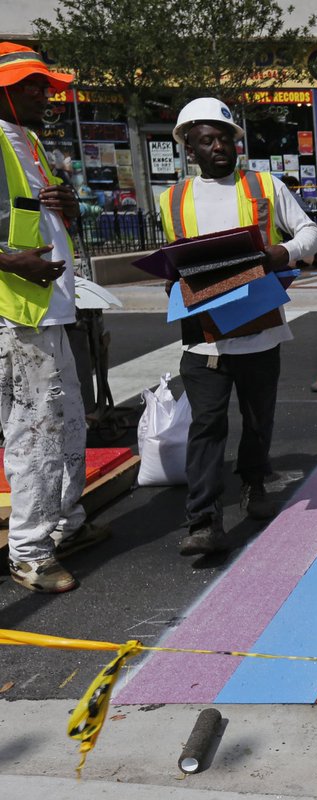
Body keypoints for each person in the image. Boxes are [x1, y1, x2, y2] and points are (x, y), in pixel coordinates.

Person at [162, 97, 317, 556]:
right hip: (203, 334)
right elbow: (175, 256)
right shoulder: (173, 198)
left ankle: (253, 483)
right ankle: (203, 521)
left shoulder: (265, 185)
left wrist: (283, 252)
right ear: (189, 148)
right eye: (206, 140)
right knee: (206, 427)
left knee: (257, 420)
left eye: (224, 138)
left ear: (235, 141)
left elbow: (311, 233)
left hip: (259, 328)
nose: (217, 147)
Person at [0, 43, 109, 593]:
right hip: (17, 314)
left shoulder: (30, 141)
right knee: (36, 434)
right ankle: (29, 552)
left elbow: (41, 218)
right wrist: (9, 261)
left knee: (66, 425)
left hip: (47, 309)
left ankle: (66, 522)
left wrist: (67, 210)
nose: (44, 94)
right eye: (31, 86)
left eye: (44, 85)